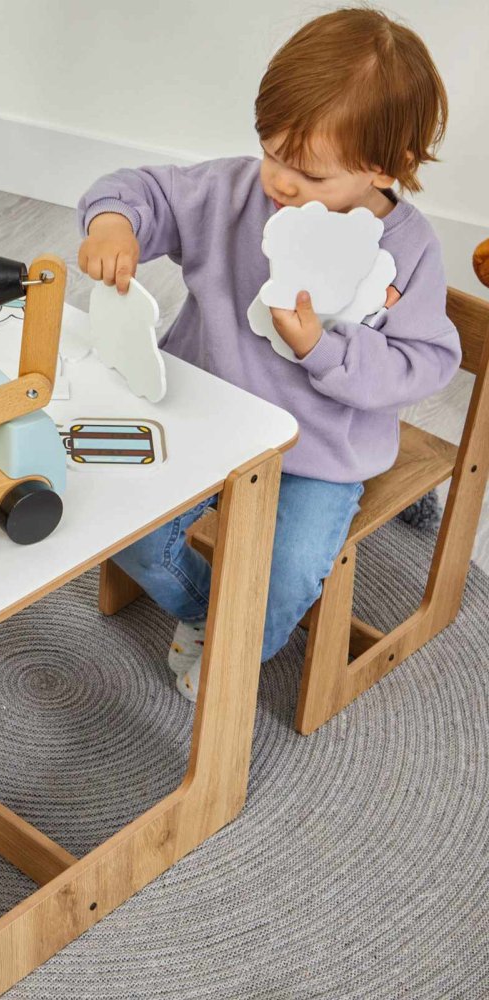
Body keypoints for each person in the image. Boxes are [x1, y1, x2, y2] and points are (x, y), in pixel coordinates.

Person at [76, 8, 461, 700]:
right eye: (271, 153)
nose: (280, 183)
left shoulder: (409, 252)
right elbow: (144, 191)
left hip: (318, 456)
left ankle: (243, 645)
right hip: (202, 416)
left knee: (288, 574)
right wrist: (114, 224)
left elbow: (426, 363)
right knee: (124, 532)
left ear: (386, 169)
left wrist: (325, 350)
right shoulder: (232, 193)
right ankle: (209, 613)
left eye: (308, 174)